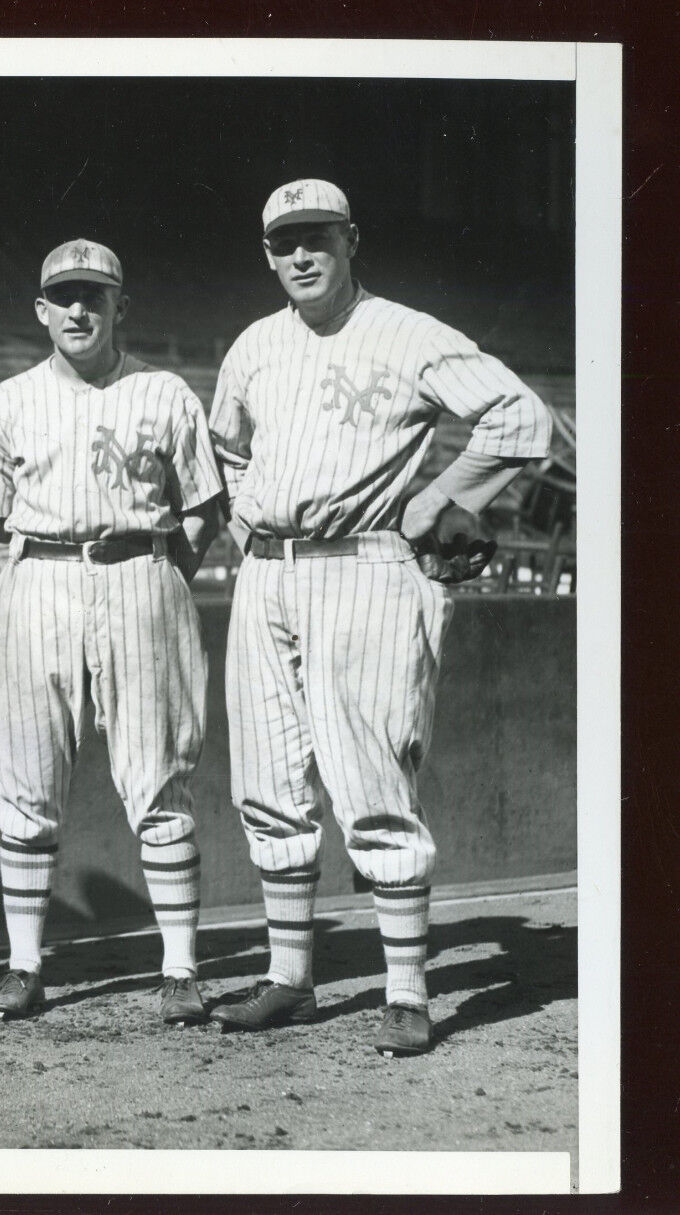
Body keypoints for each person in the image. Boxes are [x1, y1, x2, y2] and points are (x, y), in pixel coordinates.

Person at [207, 179, 553, 1056]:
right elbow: (224, 445)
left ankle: (406, 988)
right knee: (269, 781)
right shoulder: (253, 344)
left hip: (362, 564)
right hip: (267, 576)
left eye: (317, 235)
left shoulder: (406, 332)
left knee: (371, 782)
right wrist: (243, 509)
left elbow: (520, 415)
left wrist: (439, 498)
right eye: (284, 241)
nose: (301, 254)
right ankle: (289, 976)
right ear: (267, 254)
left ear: (351, 237)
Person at [0, 240, 225, 1024]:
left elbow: (204, 510)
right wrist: (35, 573)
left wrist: (153, 570)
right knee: (27, 779)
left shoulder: (166, 392)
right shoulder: (8, 400)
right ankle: (23, 964)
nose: (79, 309)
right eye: (63, 296)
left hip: (140, 570)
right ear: (41, 309)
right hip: (37, 577)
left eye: (95, 295)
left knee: (159, 775)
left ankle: (180, 965)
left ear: (121, 307)